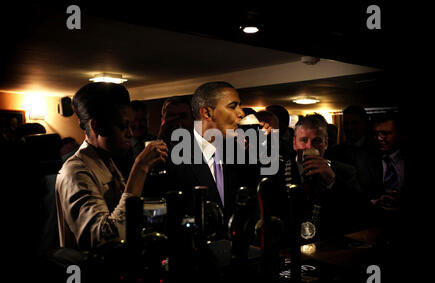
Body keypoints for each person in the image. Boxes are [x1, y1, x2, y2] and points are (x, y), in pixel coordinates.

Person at [55, 82, 168, 250]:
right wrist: (140, 168)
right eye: (123, 126)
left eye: (130, 125)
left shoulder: (107, 161)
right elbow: (103, 240)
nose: (130, 133)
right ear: (96, 126)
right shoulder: (76, 172)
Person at [167, 81, 271, 222]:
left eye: (239, 106)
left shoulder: (239, 153)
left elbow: (262, 199)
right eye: (233, 106)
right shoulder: (175, 157)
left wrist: (261, 149)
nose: (241, 113)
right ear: (207, 113)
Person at [288, 113, 367, 239]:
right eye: (303, 140)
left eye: (317, 141)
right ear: (294, 143)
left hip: (329, 245)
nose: (309, 146)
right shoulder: (278, 172)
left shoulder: (345, 171)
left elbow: (360, 212)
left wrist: (333, 181)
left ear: (326, 144)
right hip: (289, 245)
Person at [329, 105, 382, 200]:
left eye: (354, 123)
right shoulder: (336, 152)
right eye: (346, 123)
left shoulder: (378, 150)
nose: (349, 127)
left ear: (364, 124)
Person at [371, 111, 407, 212]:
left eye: (385, 133)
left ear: (399, 134)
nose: (379, 138)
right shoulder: (368, 160)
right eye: (376, 134)